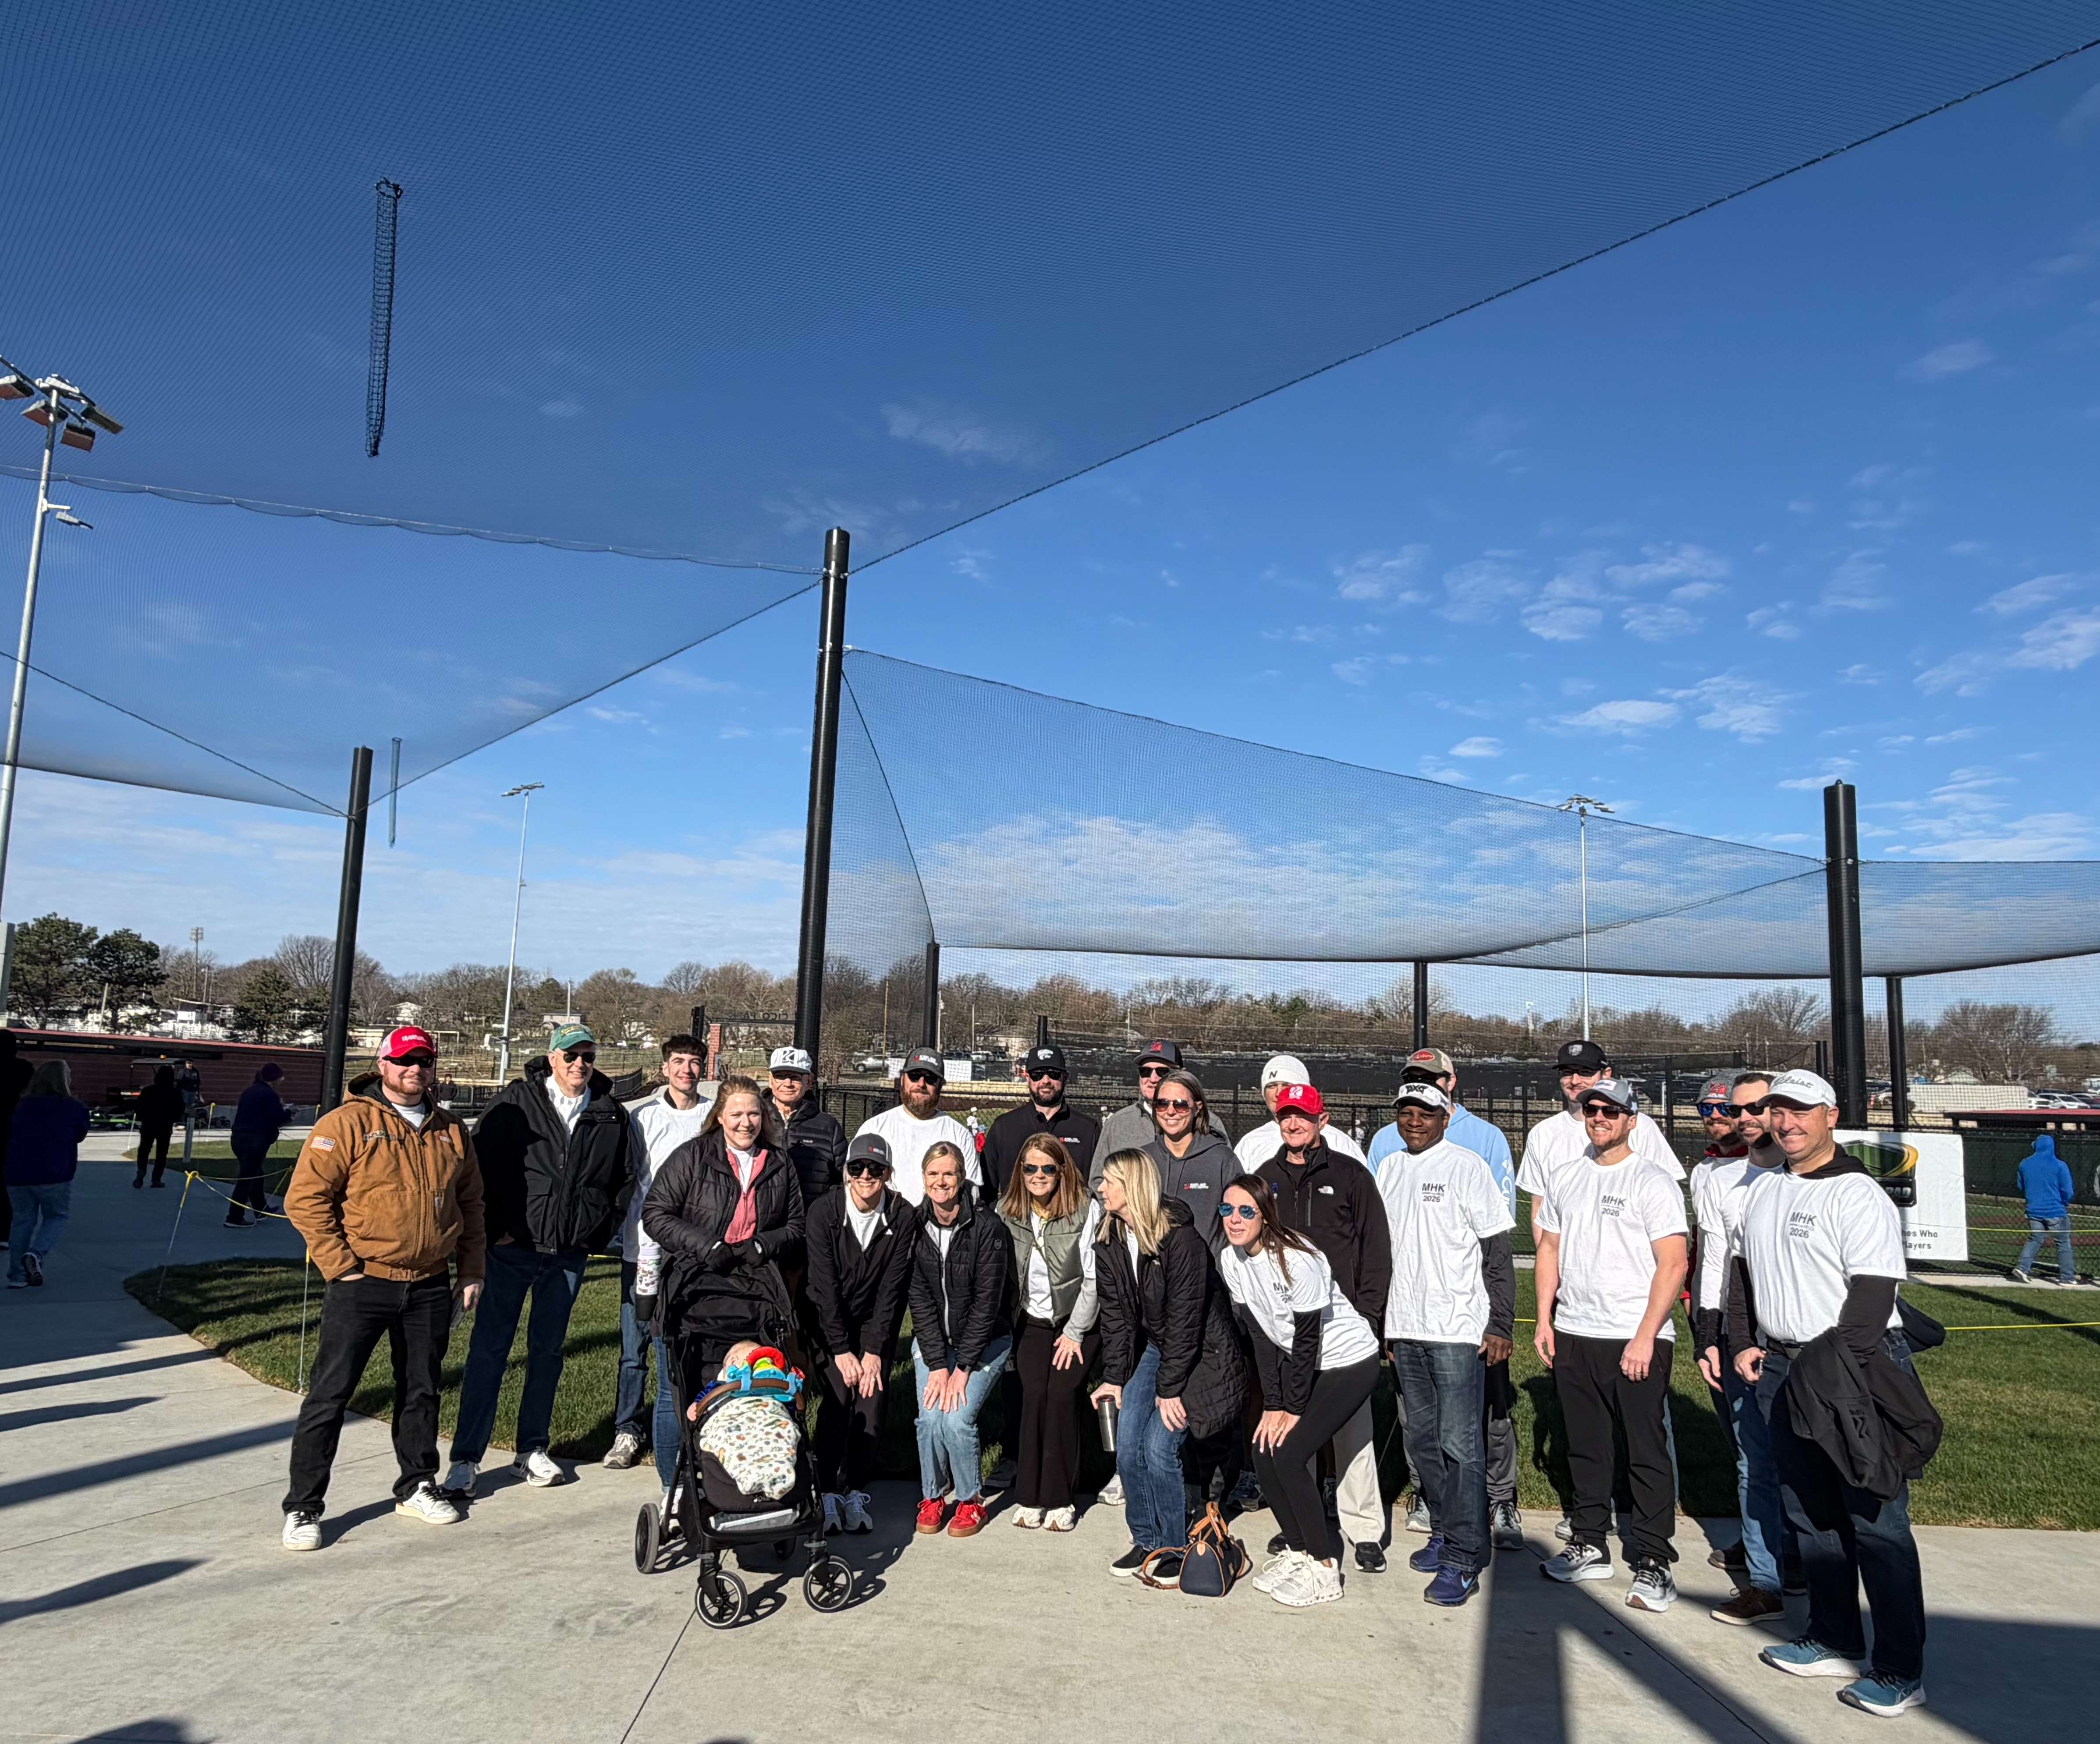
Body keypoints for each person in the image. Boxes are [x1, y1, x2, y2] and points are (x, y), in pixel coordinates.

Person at [1731, 1068, 1928, 1718]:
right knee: (1810, 1512)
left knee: (1876, 1522)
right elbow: (1743, 1275)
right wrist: (1747, 1340)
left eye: (1800, 1111)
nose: (1786, 1123)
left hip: (1853, 1370)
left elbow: (1872, 1298)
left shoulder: (1857, 1193)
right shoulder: (1764, 1189)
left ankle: (1899, 1669)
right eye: (1777, 1111)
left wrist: (1832, 1369)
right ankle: (1834, 1637)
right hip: (1783, 1368)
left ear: (1831, 1116)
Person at [280, 1028, 485, 1548]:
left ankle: (417, 1484)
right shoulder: (346, 1123)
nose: (415, 1068)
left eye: (424, 1059)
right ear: (383, 1063)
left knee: (421, 1389)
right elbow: (305, 1199)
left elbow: (471, 1204)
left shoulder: (451, 1129)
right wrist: (340, 1265)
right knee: (330, 1394)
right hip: (362, 1281)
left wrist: (471, 1270)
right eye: (404, 1059)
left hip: (429, 1283)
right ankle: (303, 1506)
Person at [446, 1023, 638, 1497]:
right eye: (570, 1055)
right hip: (512, 1249)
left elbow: (624, 1180)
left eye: (587, 1056)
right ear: (552, 1058)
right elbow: (476, 1170)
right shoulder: (516, 1103)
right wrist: (492, 1233)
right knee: (489, 1351)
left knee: (547, 1354)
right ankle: (466, 1458)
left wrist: (595, 1233)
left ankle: (531, 1449)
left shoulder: (609, 1113)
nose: (579, 1064)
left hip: (567, 1255)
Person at [1535, 1077, 1689, 1612]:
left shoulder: (1653, 1180)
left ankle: (1654, 1559)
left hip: (1635, 1336)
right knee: (1585, 1444)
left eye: (1610, 1110)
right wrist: (1545, 1319)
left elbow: (1673, 1262)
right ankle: (1590, 1541)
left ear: (1631, 1119)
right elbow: (1549, 1249)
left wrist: (1645, 1334)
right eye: (1591, 1108)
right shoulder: (1566, 1175)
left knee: (1645, 1450)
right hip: (1576, 1330)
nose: (1598, 1116)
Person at [1369, 1046, 1522, 1548]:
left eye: (1426, 1113)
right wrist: (1384, 1325)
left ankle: (1466, 1543)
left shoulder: (1467, 1165)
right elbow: (1382, 1253)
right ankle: (1442, 1528)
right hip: (1406, 1328)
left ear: (1444, 1116)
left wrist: (1500, 1323)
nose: (1414, 1121)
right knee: (1421, 1439)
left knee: (1460, 1441)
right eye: (1406, 1112)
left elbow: (1496, 1253)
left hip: (1457, 1328)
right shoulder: (1389, 1167)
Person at [1216, 1173, 1380, 1606]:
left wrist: (1292, 1407)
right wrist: (1273, 1404)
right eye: (1227, 1209)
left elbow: (1307, 1339)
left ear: (1265, 1214)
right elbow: (1262, 1337)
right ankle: (1298, 1549)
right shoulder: (1231, 1260)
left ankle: (1324, 1568)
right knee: (1263, 1450)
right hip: (1307, 1362)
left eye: (1246, 1210)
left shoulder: (1297, 1258)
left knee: (1290, 1454)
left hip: (1350, 1361)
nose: (1235, 1219)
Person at [1090, 1148, 1250, 1584]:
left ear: (1132, 1187)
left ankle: (1176, 1546)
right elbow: (1117, 1318)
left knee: (1159, 1446)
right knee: (1128, 1444)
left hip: (1204, 1352)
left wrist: (1170, 1388)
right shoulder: (1109, 1239)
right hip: (1160, 1348)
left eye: (1109, 1181)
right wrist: (1114, 1378)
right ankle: (1146, 1540)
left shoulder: (1182, 1240)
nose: (1101, 1188)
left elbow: (1187, 1320)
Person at [1255, 1082, 1394, 1573]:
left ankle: (1364, 1529)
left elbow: (1375, 1251)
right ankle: (1301, 1520)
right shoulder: (1265, 1177)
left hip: (1342, 1332)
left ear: (1323, 1120)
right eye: (1286, 1115)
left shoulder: (1351, 1175)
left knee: (1352, 1435)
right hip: (1290, 1330)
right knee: (1294, 1431)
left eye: (1303, 1115)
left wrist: (1370, 1319)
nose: (1293, 1124)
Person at [640, 1074, 807, 1412]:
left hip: (755, 1289)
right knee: (677, 1392)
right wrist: (708, 1246)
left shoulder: (779, 1163)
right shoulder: (692, 1157)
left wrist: (763, 1245)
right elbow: (655, 1214)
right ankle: (678, 1448)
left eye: (754, 1114)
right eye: (737, 1115)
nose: (746, 1123)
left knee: (755, 1384)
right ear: (719, 1116)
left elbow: (797, 1226)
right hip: (695, 1282)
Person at [1691, 1070, 1792, 1623]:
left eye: (1757, 1107)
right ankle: (1766, 1578)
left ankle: (1793, 1558)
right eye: (1736, 1109)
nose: (1744, 1118)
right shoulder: (1719, 1178)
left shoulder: (1808, 1176)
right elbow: (1714, 1260)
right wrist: (1708, 1337)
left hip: (1801, 1339)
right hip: (1739, 1335)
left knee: (1804, 1459)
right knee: (1752, 1459)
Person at [607, 1035, 713, 1485]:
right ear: (665, 1067)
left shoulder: (713, 1116)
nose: (687, 1069)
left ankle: (695, 1427)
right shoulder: (643, 1116)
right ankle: (627, 1430)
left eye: (694, 1062)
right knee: (634, 1348)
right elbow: (628, 1177)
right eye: (678, 1061)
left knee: (690, 1347)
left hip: (696, 1252)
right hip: (645, 1248)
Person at [805, 1133, 916, 1536]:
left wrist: (873, 1350)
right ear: (846, 1172)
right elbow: (824, 1286)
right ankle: (826, 1490)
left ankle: (855, 1489)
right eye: (858, 1168)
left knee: (872, 1397)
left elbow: (892, 1289)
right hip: (827, 1319)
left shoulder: (902, 1216)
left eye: (876, 1169)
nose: (866, 1176)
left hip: (874, 1319)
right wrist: (840, 1348)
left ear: (888, 1173)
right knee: (839, 1396)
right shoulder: (824, 1212)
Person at [905, 1140, 1012, 1538]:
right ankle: (933, 1495)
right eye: (933, 1174)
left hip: (985, 1343)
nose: (941, 1181)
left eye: (949, 1173)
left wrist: (962, 1368)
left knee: (956, 1419)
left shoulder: (988, 1227)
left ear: (962, 1177)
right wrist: (937, 1364)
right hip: (936, 1342)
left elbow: (988, 1304)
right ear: (923, 1179)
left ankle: (970, 1500)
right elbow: (918, 1299)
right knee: (930, 1419)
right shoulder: (915, 1226)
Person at [998, 1131, 1100, 1531]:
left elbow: (1093, 1279)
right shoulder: (1007, 1211)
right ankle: (1029, 1495)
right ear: (1020, 1172)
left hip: (1078, 1321)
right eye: (1030, 1168)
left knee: (1060, 1396)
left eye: (1048, 1169)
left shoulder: (1085, 1209)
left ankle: (1060, 1498)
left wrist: (1075, 1332)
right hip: (1032, 1321)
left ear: (1062, 1171)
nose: (1038, 1176)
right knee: (1033, 1396)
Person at [1090, 1039, 1225, 1187]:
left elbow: (1226, 1181)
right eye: (1145, 1072)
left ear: (1181, 1074)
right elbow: (1098, 1180)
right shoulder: (1118, 1123)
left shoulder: (1210, 1123)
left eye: (1162, 1072)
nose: (1153, 1079)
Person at [854, 1047, 980, 1205]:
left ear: (941, 1085)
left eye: (930, 1078)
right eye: (914, 1076)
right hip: (887, 1220)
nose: (921, 1084)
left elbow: (970, 1193)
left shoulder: (959, 1135)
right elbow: (853, 1184)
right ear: (903, 1079)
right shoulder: (874, 1128)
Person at [981, 1043, 1100, 1205]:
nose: (1046, 1081)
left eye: (1053, 1074)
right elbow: (987, 1191)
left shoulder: (1088, 1129)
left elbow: (1098, 1186)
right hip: (1017, 1218)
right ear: (1028, 1078)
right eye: (1038, 1075)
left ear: (1065, 1077)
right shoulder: (1004, 1127)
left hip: (1073, 1219)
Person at [6, 1060, 90, 1289]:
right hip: (55, 1171)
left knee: (22, 1221)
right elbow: (80, 1135)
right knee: (56, 1216)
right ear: (64, 1079)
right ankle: (36, 1254)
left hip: (17, 1172)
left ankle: (17, 1276)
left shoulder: (21, 1105)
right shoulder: (73, 1107)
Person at [1142, 1068, 1241, 1245]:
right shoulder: (1143, 1159)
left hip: (1208, 1263)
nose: (1170, 1112)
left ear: (1197, 1108)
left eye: (1180, 1105)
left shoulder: (1222, 1159)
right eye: (1163, 1104)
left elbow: (1241, 1216)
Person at [1232, 1054, 1367, 1170]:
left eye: (1286, 1086)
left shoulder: (1338, 1142)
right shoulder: (1250, 1143)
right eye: (1272, 1086)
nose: (1279, 1093)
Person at [763, 1045, 845, 1208]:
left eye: (795, 1077)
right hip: (762, 1219)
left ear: (809, 1082)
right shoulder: (753, 1120)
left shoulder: (829, 1127)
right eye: (781, 1076)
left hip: (811, 1217)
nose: (788, 1083)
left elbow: (842, 1180)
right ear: (770, 1080)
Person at [225, 1062, 287, 1228]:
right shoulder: (269, 1094)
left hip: (239, 1138)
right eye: (280, 1077)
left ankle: (261, 1209)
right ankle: (234, 1216)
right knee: (247, 1178)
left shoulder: (250, 1091)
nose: (282, 1080)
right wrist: (289, 1113)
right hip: (255, 1140)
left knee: (256, 1174)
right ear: (274, 1078)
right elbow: (277, 1118)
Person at [2011, 1131, 2077, 1284]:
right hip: (2056, 1211)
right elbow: (2068, 1191)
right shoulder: (2060, 1166)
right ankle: (2067, 1277)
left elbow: (2021, 1186)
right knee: (2063, 1243)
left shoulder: (2025, 1164)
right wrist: (2065, 1202)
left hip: (2034, 1210)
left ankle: (2023, 1268)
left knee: (2035, 1239)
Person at [132, 1063, 184, 1190]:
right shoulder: (175, 1093)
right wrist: (174, 1120)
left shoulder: (148, 1091)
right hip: (165, 1126)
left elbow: (138, 1106)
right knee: (162, 1154)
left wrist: (142, 1118)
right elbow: (180, 1109)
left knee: (144, 1150)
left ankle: (141, 1170)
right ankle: (156, 1179)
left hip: (148, 1125)